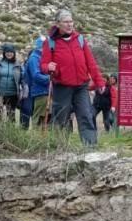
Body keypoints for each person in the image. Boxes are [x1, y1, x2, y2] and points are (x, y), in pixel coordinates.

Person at [40, 9, 107, 146]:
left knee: (86, 116)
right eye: (66, 22)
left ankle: (90, 148)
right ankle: (60, 147)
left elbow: (91, 63)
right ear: (58, 24)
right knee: (61, 119)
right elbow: (43, 65)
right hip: (62, 87)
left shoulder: (80, 39)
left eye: (71, 21)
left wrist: (99, 81)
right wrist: (48, 67)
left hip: (81, 86)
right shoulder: (50, 42)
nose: (70, 24)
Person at [0, 43, 23, 123]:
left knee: (11, 116)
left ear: (14, 53)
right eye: (7, 52)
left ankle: (10, 134)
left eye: (11, 52)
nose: (9, 53)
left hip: (12, 94)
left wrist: (24, 88)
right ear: (4, 53)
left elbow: (22, 78)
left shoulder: (18, 64)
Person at [23, 34, 50, 128]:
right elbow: (36, 76)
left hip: (47, 92)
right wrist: (50, 79)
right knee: (38, 119)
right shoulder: (34, 58)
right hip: (40, 92)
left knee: (46, 120)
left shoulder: (43, 57)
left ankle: (43, 140)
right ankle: (36, 140)